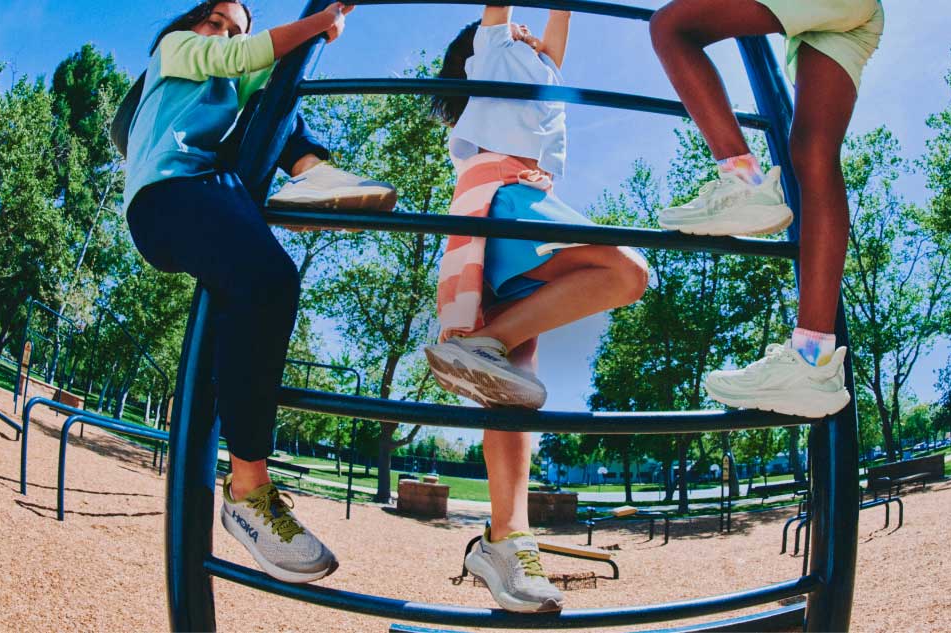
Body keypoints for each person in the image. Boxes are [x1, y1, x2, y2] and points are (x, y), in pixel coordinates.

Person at [121, 0, 392, 584]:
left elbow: (265, 70)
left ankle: (314, 174)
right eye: (214, 20)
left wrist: (310, 44)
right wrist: (320, 23)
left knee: (277, 103)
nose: (222, 31)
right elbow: (246, 53)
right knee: (269, 280)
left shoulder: (226, 86)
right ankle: (247, 486)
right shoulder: (176, 53)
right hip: (167, 196)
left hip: (212, 190)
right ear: (190, 25)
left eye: (234, 25)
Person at [424, 6, 648, 612]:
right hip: (505, 195)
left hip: (530, 199)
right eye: (517, 26)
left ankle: (507, 539)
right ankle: (480, 344)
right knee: (625, 271)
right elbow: (503, 15)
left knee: (513, 389)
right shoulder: (493, 46)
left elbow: (557, 31)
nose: (531, 35)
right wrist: (506, 25)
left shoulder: (540, 65)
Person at [649, 0, 884, 418]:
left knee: (671, 28)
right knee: (813, 154)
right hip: (853, 16)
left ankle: (745, 182)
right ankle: (812, 362)